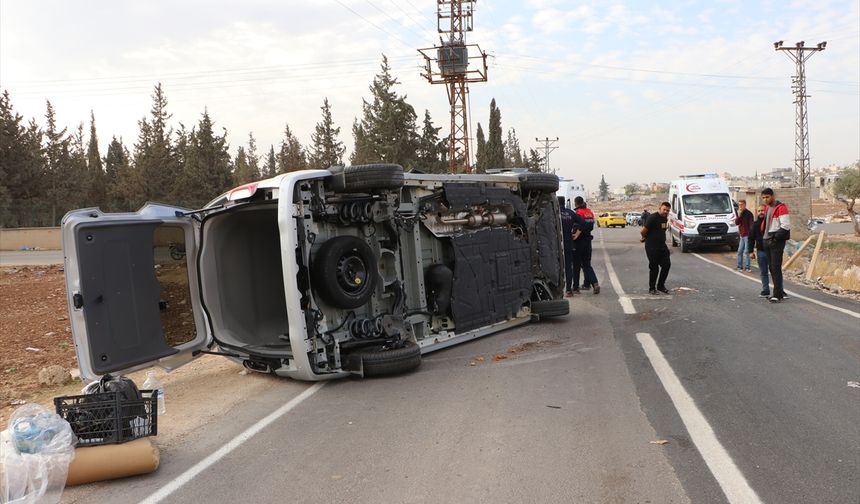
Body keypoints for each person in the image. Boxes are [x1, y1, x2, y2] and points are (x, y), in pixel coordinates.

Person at [761, 188, 790, 303]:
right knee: (771, 268)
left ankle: (777, 294)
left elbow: (785, 226)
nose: (765, 199)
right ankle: (779, 292)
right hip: (767, 240)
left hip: (776, 241)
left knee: (775, 268)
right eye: (763, 197)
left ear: (773, 196)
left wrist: (775, 238)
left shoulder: (781, 207)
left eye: (767, 197)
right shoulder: (768, 208)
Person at [640, 202, 671, 295]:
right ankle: (652, 288)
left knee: (666, 265)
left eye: (667, 210)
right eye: (664, 209)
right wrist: (644, 237)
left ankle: (661, 286)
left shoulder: (665, 218)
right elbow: (643, 231)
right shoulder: (653, 217)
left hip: (662, 246)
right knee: (654, 268)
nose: (665, 211)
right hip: (652, 246)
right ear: (660, 208)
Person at [572, 196, 600, 295]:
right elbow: (591, 226)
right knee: (587, 264)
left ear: (576, 203)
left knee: (577, 265)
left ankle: (575, 287)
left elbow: (577, 226)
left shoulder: (579, 213)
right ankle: (593, 283)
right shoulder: (589, 212)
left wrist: (574, 234)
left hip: (579, 242)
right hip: (588, 241)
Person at [748, 203, 770, 297]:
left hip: (772, 251)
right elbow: (751, 238)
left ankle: (780, 290)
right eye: (759, 211)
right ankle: (766, 290)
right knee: (763, 272)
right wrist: (751, 251)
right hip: (761, 251)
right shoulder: (755, 225)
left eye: (763, 210)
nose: (761, 213)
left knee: (775, 272)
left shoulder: (770, 223)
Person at [558, 197, 578, 296]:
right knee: (568, 267)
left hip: (556, 245)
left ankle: (557, 290)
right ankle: (569, 290)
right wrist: (577, 232)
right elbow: (582, 222)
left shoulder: (554, 213)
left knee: (557, 267)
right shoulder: (570, 213)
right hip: (568, 243)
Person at [735, 199, 754, 272]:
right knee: (739, 251)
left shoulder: (749, 214)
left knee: (747, 251)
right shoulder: (739, 213)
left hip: (747, 235)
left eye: (741, 205)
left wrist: (751, 236)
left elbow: (751, 226)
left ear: (745, 205)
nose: (740, 206)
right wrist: (739, 215)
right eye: (739, 205)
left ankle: (748, 267)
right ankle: (739, 266)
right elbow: (737, 223)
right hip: (742, 235)